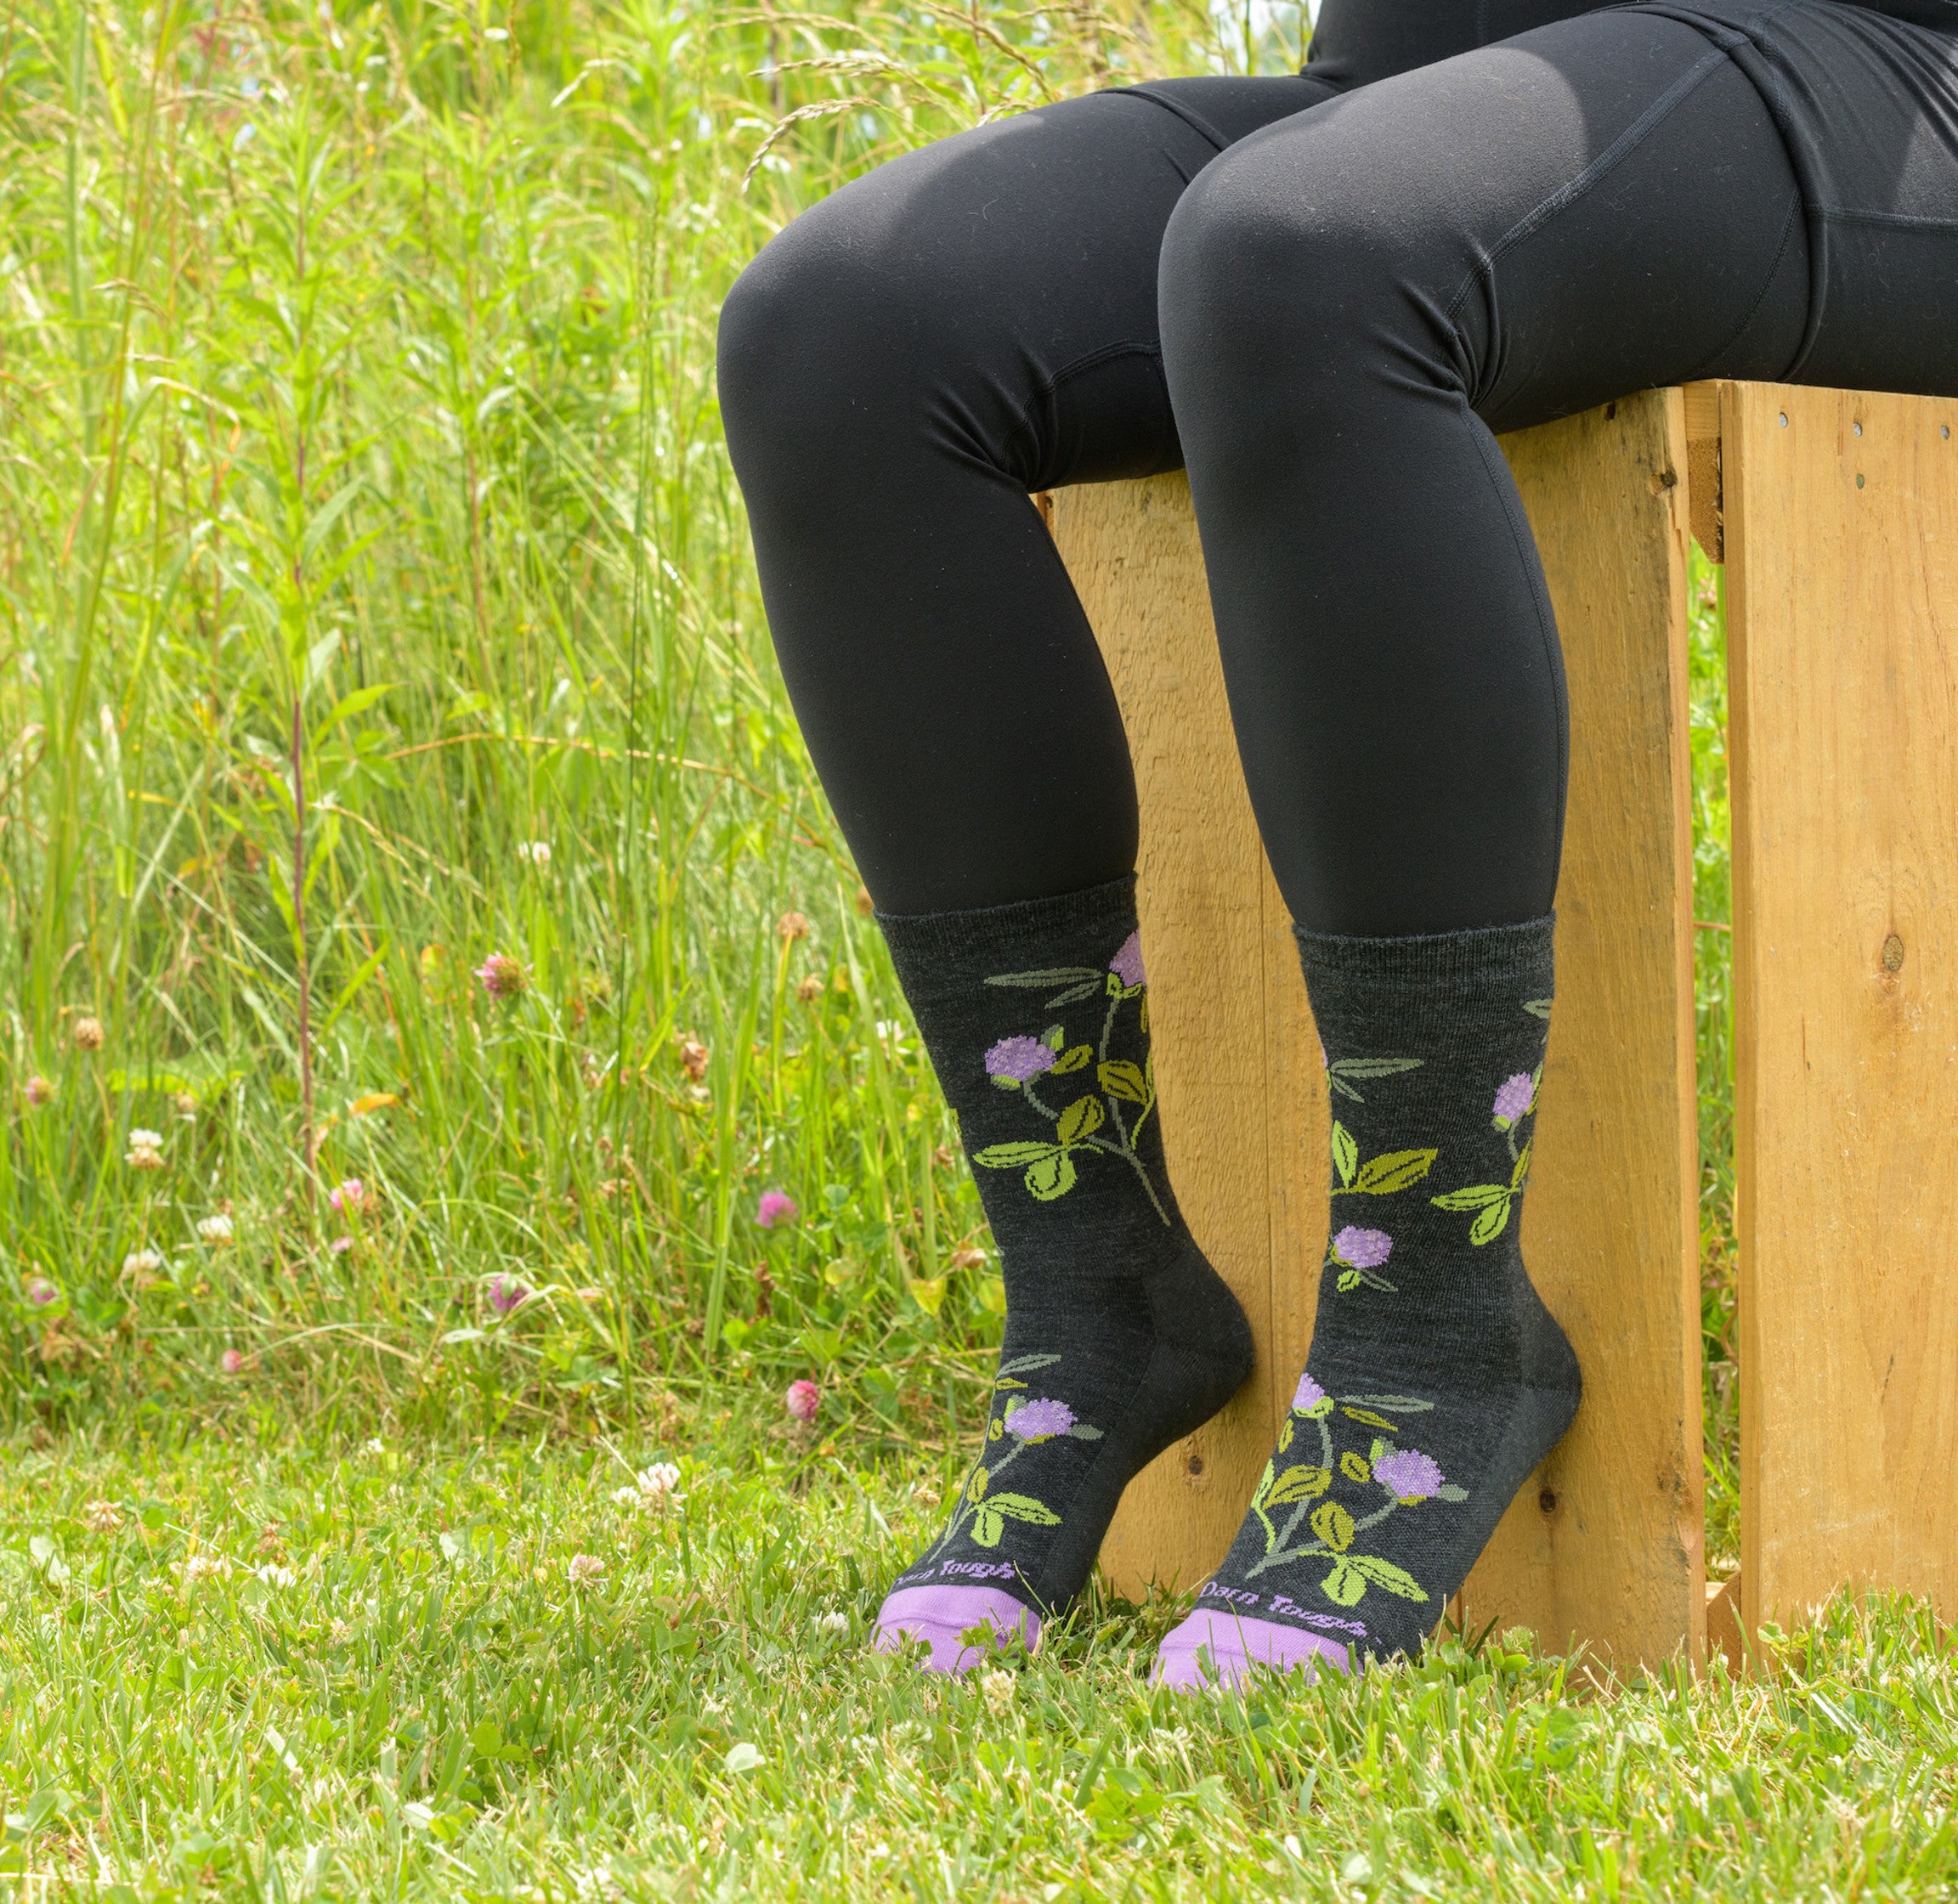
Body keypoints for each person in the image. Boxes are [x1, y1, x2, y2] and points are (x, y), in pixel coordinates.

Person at [716, 0, 1958, 1686]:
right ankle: (1102, 1296)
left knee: (1317, 253)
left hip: (1879, 74)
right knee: (843, 330)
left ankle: (1437, 1337)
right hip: (1406, 97)